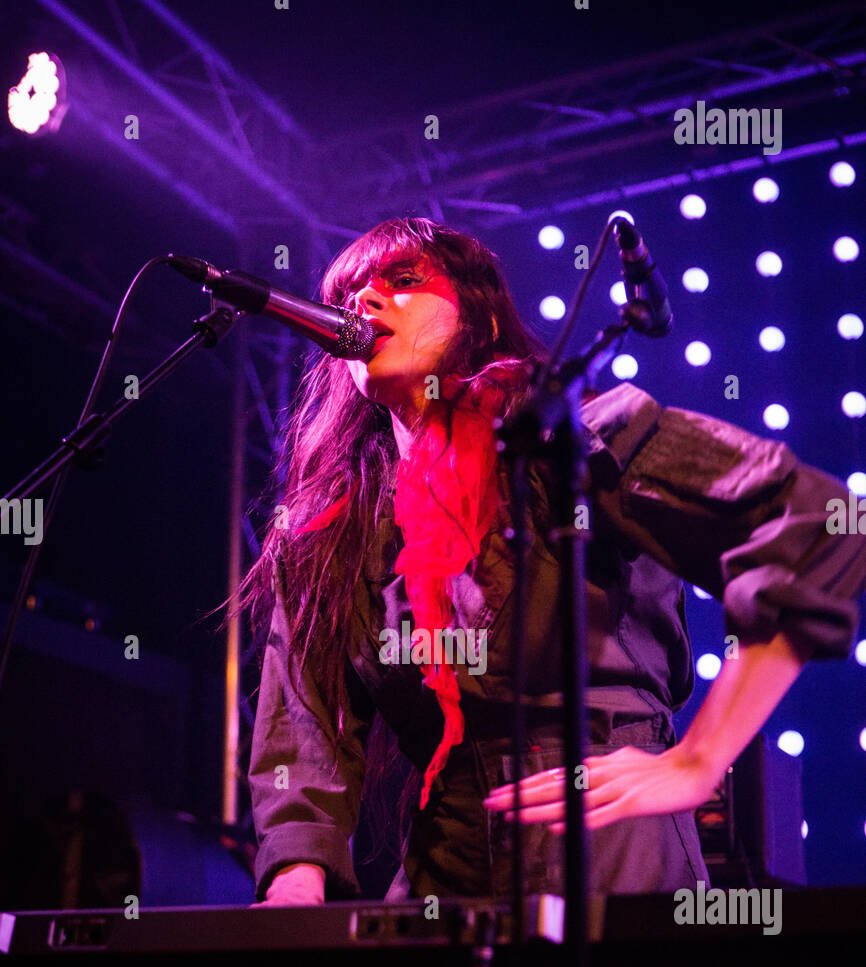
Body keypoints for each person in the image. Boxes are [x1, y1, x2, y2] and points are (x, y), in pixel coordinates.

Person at [243, 216, 866, 907]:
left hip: (609, 834)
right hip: (444, 858)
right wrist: (293, 885)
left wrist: (700, 758)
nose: (365, 299)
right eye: (350, 291)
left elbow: (819, 525)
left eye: (405, 281)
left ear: (476, 313)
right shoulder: (334, 527)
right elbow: (302, 726)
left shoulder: (577, 436)